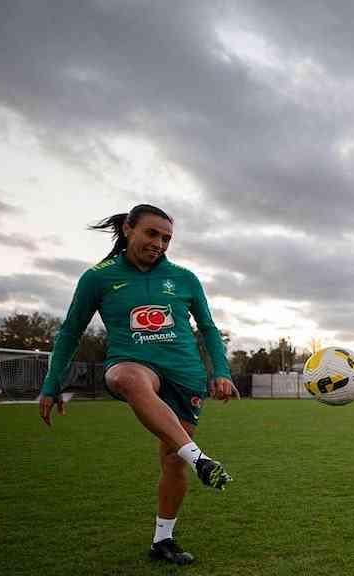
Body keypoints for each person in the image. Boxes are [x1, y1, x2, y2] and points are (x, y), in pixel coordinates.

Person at [39, 204, 236, 566]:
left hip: (185, 374)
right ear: (128, 229)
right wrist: (52, 384)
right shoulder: (97, 278)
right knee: (127, 378)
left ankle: (163, 540)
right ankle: (201, 460)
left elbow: (208, 328)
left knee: (173, 460)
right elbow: (70, 332)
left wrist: (221, 371)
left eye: (166, 238)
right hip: (131, 362)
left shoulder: (184, 278)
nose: (159, 243)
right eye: (151, 233)